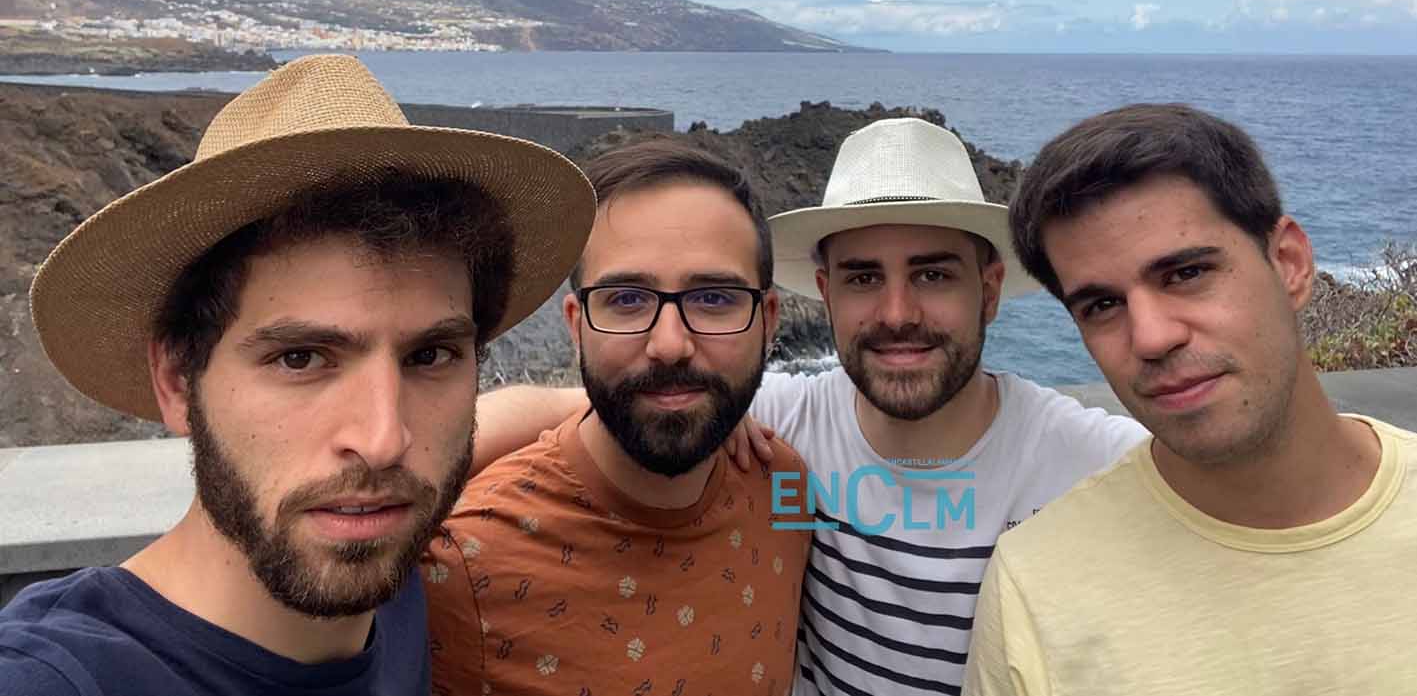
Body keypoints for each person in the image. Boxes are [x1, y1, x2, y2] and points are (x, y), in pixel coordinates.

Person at [468, 117, 1147, 696]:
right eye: (861, 277)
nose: (896, 313)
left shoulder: (1088, 460)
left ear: (989, 289)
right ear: (823, 293)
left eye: (933, 273)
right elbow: (598, 402)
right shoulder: (780, 423)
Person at [0, 54, 595, 696]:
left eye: (428, 357)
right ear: (177, 381)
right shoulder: (60, 674)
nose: (384, 440)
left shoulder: (370, 532)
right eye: (301, 359)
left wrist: (652, 407)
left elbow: (504, 419)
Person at [964, 103, 1417, 695]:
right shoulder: (1035, 588)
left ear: (1290, 264)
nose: (1151, 337)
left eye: (1185, 274)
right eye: (1102, 305)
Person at [422, 139, 812, 696]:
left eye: (715, 299)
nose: (670, 346)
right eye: (627, 299)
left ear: (768, 319)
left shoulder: (783, 488)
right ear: (576, 324)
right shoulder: (457, 563)